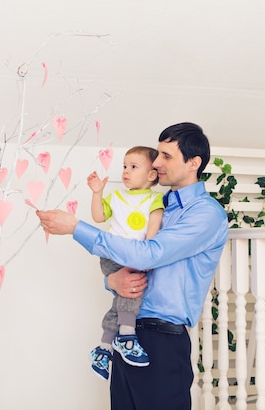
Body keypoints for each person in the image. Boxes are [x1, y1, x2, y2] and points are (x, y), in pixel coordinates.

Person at [37, 122, 229, 410]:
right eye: (157, 154)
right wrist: (111, 281)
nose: (156, 162)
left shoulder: (205, 214)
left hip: (163, 340)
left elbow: (149, 255)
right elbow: (127, 259)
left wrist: (77, 228)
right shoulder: (154, 202)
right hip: (127, 335)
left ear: (194, 163)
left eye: (166, 156)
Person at [87, 146, 164, 381]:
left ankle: (104, 347)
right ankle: (127, 336)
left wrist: (147, 255)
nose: (126, 171)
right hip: (112, 255)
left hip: (136, 255)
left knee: (121, 300)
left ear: (152, 175)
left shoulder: (155, 199)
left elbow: (153, 229)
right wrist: (97, 193)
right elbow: (99, 217)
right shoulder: (117, 196)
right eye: (124, 166)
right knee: (132, 289)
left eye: (133, 167)